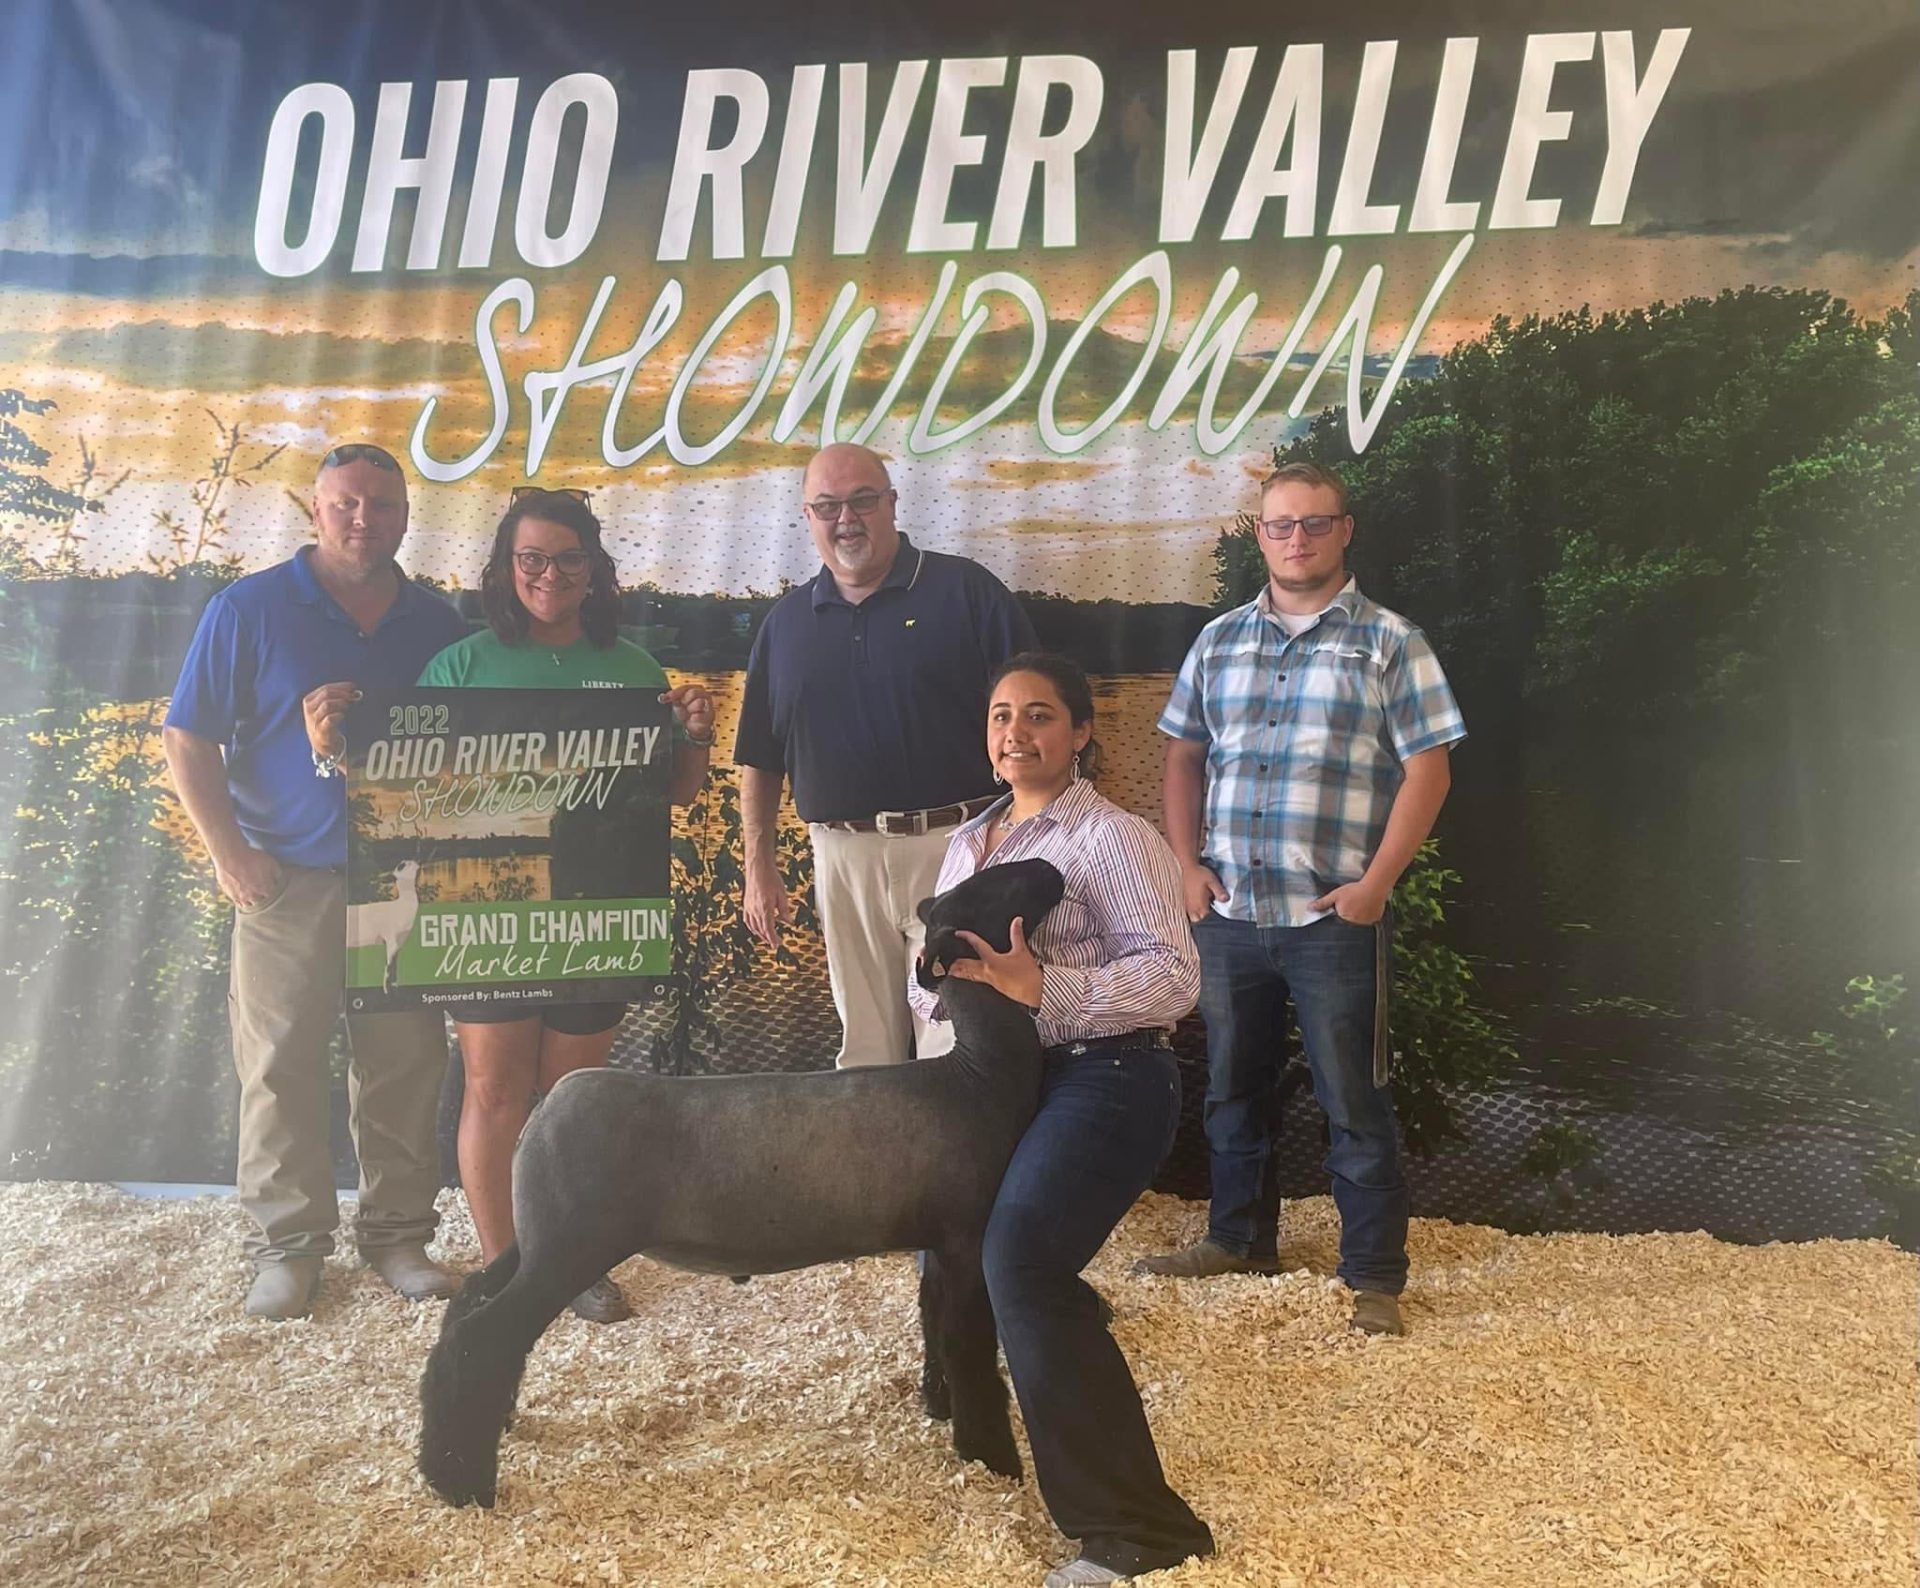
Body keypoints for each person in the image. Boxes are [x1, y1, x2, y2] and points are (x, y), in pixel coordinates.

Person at [1135, 461, 1466, 1339]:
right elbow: (1182, 756)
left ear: (1345, 530)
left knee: (1353, 1099)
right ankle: (1239, 1241)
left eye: (1316, 522)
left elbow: (1429, 771)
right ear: (1260, 534)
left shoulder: (1391, 642)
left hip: (1332, 921)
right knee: (1230, 1090)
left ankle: (1374, 1276)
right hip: (1231, 916)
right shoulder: (1218, 642)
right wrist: (1185, 865)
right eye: (1281, 524)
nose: (1298, 539)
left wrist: (1376, 886)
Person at [907, 652, 1215, 1588]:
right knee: (947, 1236)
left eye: (1039, 715)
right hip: (996, 1082)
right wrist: (947, 996)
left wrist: (1042, 988)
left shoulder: (1116, 837)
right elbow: (931, 986)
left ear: (1081, 731)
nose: (1017, 733)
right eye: (1002, 716)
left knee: (1024, 1260)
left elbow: (1175, 979)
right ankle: (968, 1414)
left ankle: (1138, 1532)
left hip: (1109, 1075)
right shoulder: (969, 840)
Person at [163, 442, 469, 1320]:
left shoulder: (438, 623)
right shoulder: (248, 607)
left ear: (406, 515)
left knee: (406, 1065)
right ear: (314, 510)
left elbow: (464, 750)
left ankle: (398, 1237)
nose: (365, 518)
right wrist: (228, 852)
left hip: (399, 885)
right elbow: (187, 737)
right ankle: (288, 1248)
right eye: (347, 503)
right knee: (279, 1068)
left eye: (383, 504)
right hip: (286, 882)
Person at [402, 488, 714, 1324]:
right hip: (487, 910)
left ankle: (570, 1261)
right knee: (494, 1091)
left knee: (572, 1096)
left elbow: (676, 793)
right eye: (532, 558)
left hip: (596, 908)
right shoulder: (460, 667)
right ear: (506, 568)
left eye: (568, 557)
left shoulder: (635, 669)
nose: (550, 574)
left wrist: (695, 733)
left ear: (593, 568)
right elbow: (415, 794)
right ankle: (509, 1270)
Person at [735, 442, 1037, 1068]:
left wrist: (1032, 837)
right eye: (827, 506)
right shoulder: (784, 625)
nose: (846, 519)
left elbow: (1037, 724)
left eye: (863, 501)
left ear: (893, 503)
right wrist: (757, 865)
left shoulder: (967, 592)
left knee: (956, 1049)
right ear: (807, 516)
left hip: (961, 847)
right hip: (842, 857)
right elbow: (759, 758)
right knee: (866, 1054)